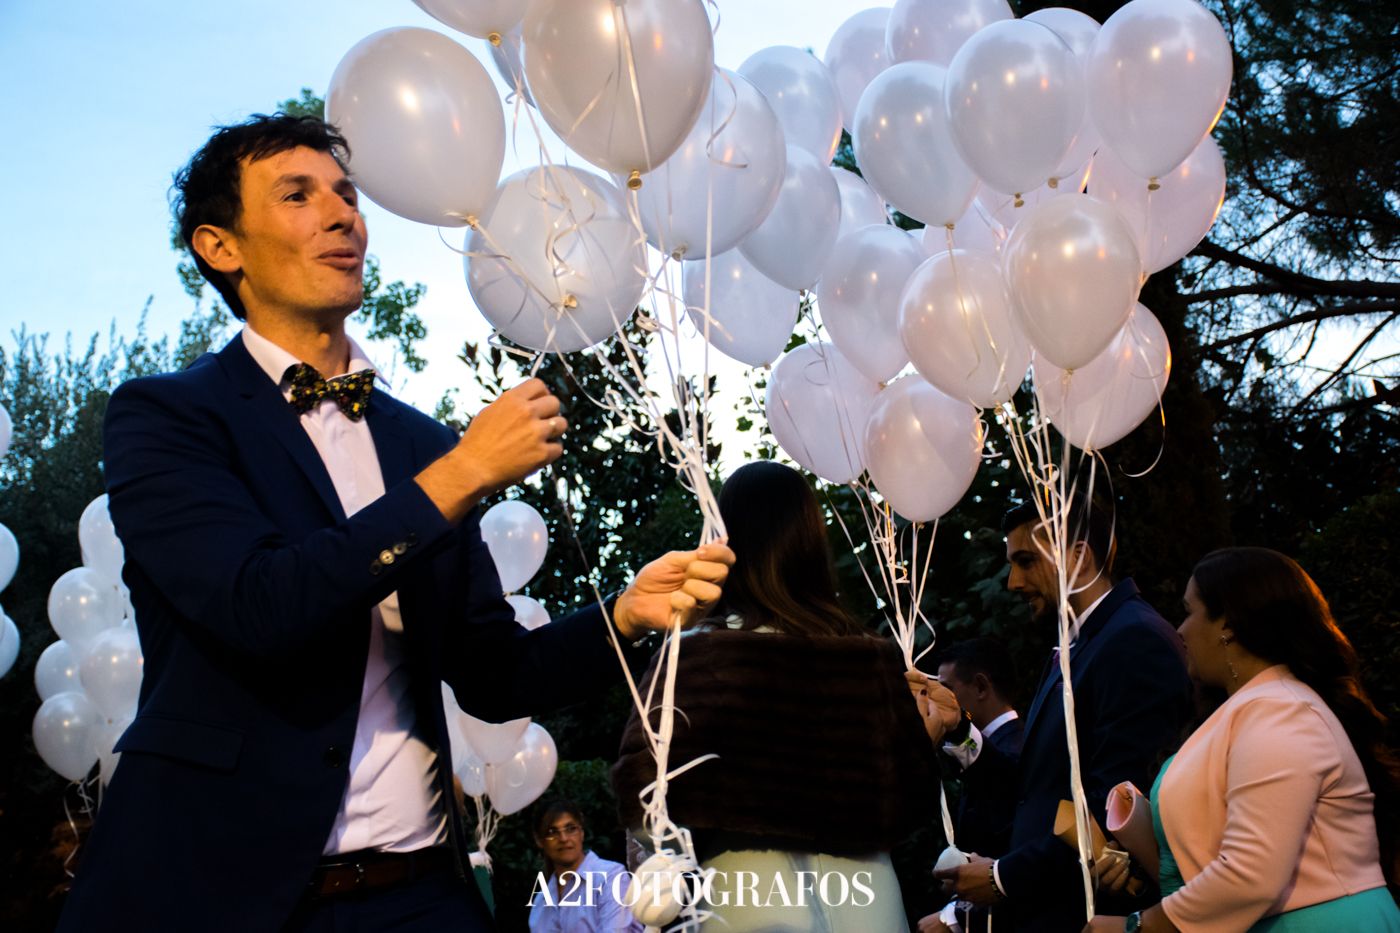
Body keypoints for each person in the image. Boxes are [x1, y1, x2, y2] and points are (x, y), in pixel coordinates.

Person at [57, 113, 733, 933]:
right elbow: (259, 606)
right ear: (220, 246)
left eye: (346, 194)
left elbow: (492, 672)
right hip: (221, 890)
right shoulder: (167, 416)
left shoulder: (421, 441)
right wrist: (464, 474)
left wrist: (623, 615)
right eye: (297, 196)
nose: (343, 214)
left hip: (420, 895)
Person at [612, 461, 937, 931]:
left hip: (745, 897)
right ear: (811, 540)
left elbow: (646, 805)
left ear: (727, 539)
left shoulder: (693, 656)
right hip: (870, 900)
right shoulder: (872, 659)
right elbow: (912, 798)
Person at [912, 495, 1193, 932]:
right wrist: (959, 731)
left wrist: (1002, 877)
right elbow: (1034, 790)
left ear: (1077, 556)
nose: (1012, 582)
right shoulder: (1077, 644)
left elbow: (1114, 806)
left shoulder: (1135, 640)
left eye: (1025, 561)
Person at [1087, 547, 1400, 932]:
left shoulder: (1283, 712)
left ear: (1228, 624)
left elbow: (1251, 872)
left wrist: (1138, 927)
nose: (1180, 630)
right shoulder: (1246, 710)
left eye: (1189, 611)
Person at [919, 638, 1025, 933]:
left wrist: (955, 917)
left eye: (947, 691)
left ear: (980, 687)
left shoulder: (1019, 748)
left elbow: (1010, 847)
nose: (938, 700)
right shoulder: (992, 751)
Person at [529, 800, 644, 932]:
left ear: (581, 833)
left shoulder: (609, 876)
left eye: (571, 829)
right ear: (539, 840)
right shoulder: (541, 902)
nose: (564, 838)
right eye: (552, 832)